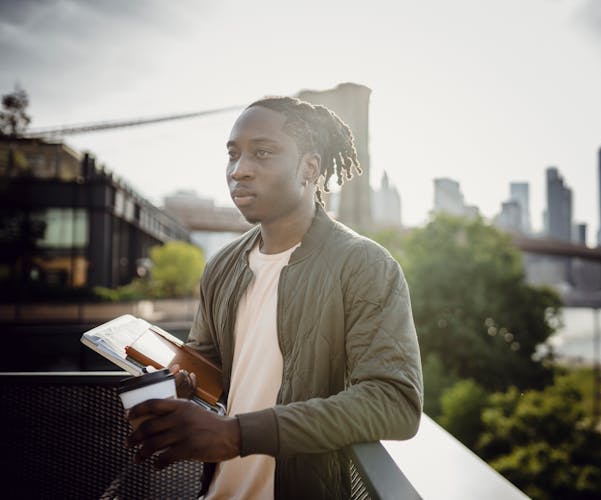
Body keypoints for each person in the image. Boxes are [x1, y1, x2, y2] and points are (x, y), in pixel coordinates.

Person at [125, 96, 423, 499]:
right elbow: (207, 368)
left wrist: (236, 435)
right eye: (233, 155)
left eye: (262, 153)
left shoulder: (364, 265)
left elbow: (395, 402)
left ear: (309, 167)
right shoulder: (222, 266)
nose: (239, 170)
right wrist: (180, 387)